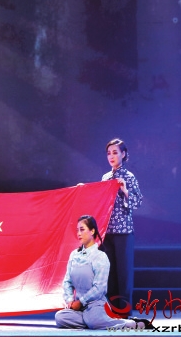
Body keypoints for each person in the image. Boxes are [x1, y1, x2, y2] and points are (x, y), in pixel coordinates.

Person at [55, 216, 146, 330]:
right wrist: (70, 300)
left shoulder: (100, 257)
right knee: (60, 317)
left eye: (82, 229)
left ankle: (128, 324)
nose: (78, 233)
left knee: (93, 320)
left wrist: (81, 302)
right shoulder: (74, 255)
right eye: (77, 230)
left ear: (92, 231)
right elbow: (67, 281)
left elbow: (99, 288)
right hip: (78, 307)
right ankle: (95, 321)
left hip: (95, 304)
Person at [101, 137, 143, 315]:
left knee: (124, 274)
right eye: (109, 153)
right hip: (107, 232)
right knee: (109, 273)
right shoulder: (105, 178)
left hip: (124, 232)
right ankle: (112, 311)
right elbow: (100, 202)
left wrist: (125, 190)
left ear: (123, 154)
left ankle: (124, 312)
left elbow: (138, 202)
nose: (111, 156)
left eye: (115, 152)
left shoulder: (129, 177)